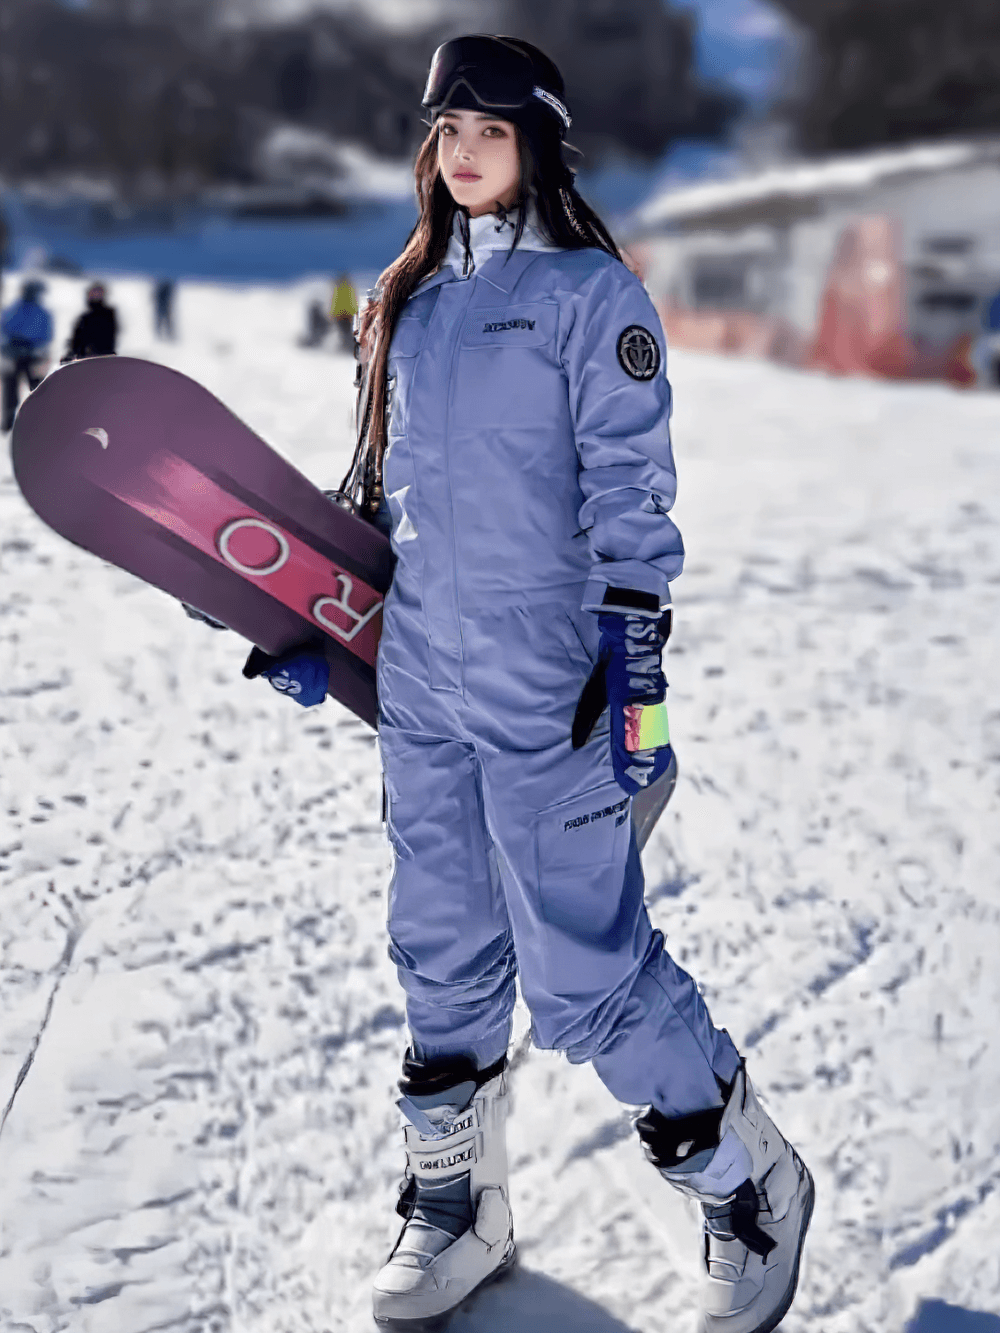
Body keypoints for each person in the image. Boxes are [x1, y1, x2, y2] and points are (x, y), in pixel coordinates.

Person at [257, 34, 814, 1333]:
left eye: (488, 130)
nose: (459, 151)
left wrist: (634, 676)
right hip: (424, 688)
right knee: (441, 949)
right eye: (445, 128)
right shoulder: (409, 303)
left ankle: (746, 1185)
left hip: (550, 685)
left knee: (587, 970)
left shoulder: (589, 299)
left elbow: (632, 494)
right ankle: (460, 1203)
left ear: (540, 145)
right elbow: (374, 498)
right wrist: (314, 621)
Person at [1, 278, 53, 433]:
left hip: (33, 356)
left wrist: (37, 349)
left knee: (36, 389)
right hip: (14, 354)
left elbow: (46, 335)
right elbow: (4, 329)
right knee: (11, 390)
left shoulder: (42, 313)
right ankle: (9, 422)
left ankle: (37, 422)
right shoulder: (13, 309)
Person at [63, 281, 118, 362]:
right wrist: (71, 353)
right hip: (84, 359)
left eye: (98, 294)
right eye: (93, 294)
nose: (95, 296)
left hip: (103, 358)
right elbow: (76, 341)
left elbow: (107, 339)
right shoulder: (84, 318)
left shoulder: (108, 315)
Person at [330, 271, 358, 353]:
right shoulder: (350, 287)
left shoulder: (337, 288)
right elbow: (353, 301)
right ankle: (348, 346)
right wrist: (355, 312)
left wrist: (333, 314)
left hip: (340, 314)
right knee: (347, 331)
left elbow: (334, 302)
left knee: (343, 331)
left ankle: (347, 346)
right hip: (349, 314)